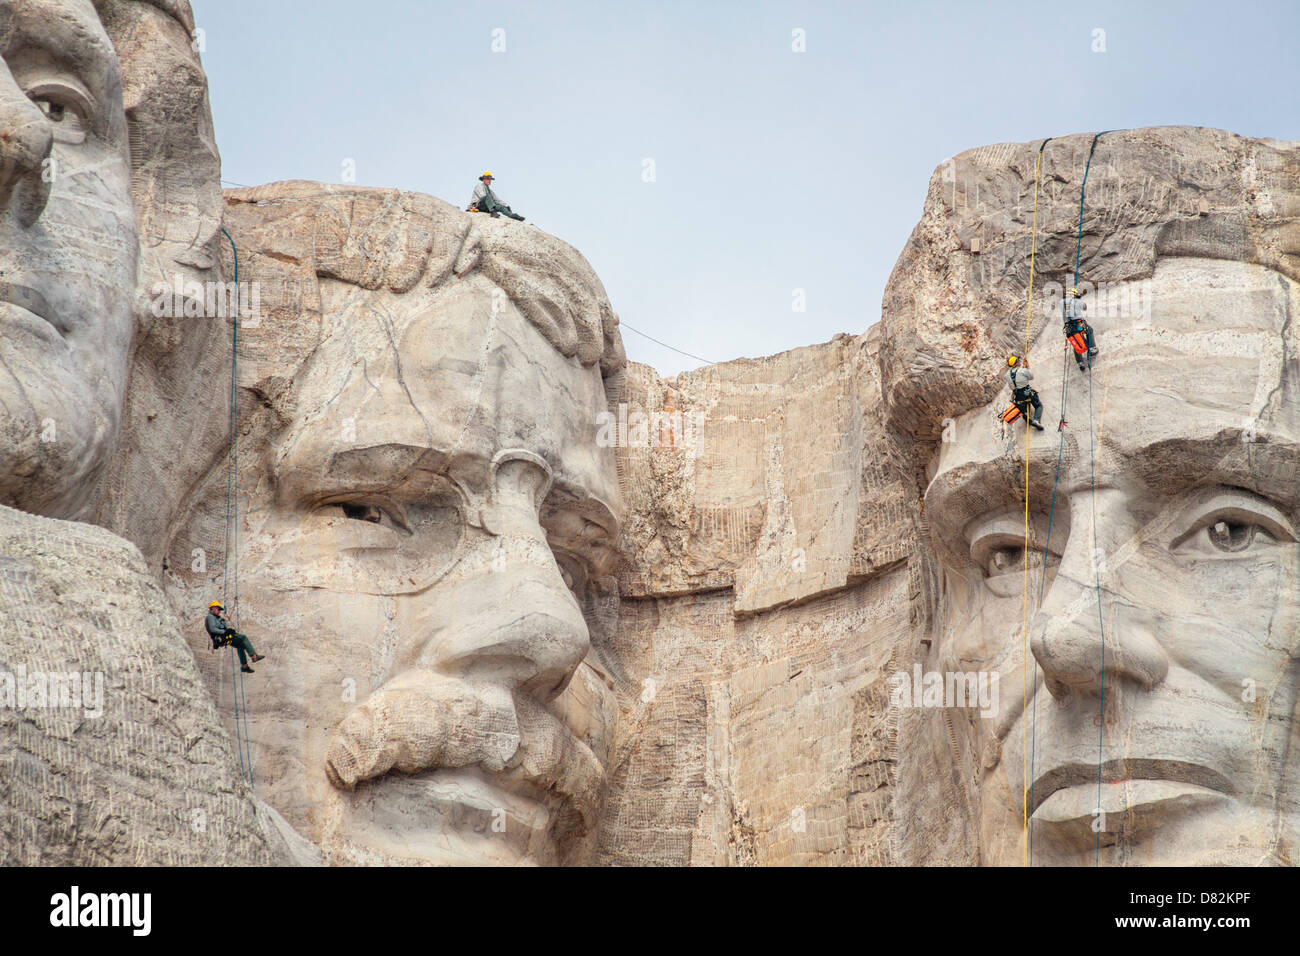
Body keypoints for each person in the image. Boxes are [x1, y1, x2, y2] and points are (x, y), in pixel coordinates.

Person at [205, 601, 265, 673]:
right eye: (218, 609)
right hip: (220, 637)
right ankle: (254, 656)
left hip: (224, 637)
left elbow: (223, 627)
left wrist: (224, 623)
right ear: (212, 608)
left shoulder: (217, 618)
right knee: (243, 638)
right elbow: (212, 629)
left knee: (240, 645)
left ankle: (244, 666)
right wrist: (225, 632)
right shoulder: (210, 617)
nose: (219, 611)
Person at [1003, 354, 1044, 430]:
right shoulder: (1023, 370)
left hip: (1017, 395)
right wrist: (1027, 368)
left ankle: (1025, 414)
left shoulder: (1006, 375)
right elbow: (1031, 377)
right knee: (1038, 405)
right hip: (1027, 392)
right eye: (1018, 361)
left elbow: (1012, 384)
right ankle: (1036, 420)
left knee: (1022, 403)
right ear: (1016, 363)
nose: (1019, 361)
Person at [1062, 287, 1098, 372]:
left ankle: (1080, 362)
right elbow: (1085, 307)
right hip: (1078, 324)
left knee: (1076, 341)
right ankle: (1091, 349)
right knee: (1089, 330)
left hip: (1069, 327)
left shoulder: (1063, 304)